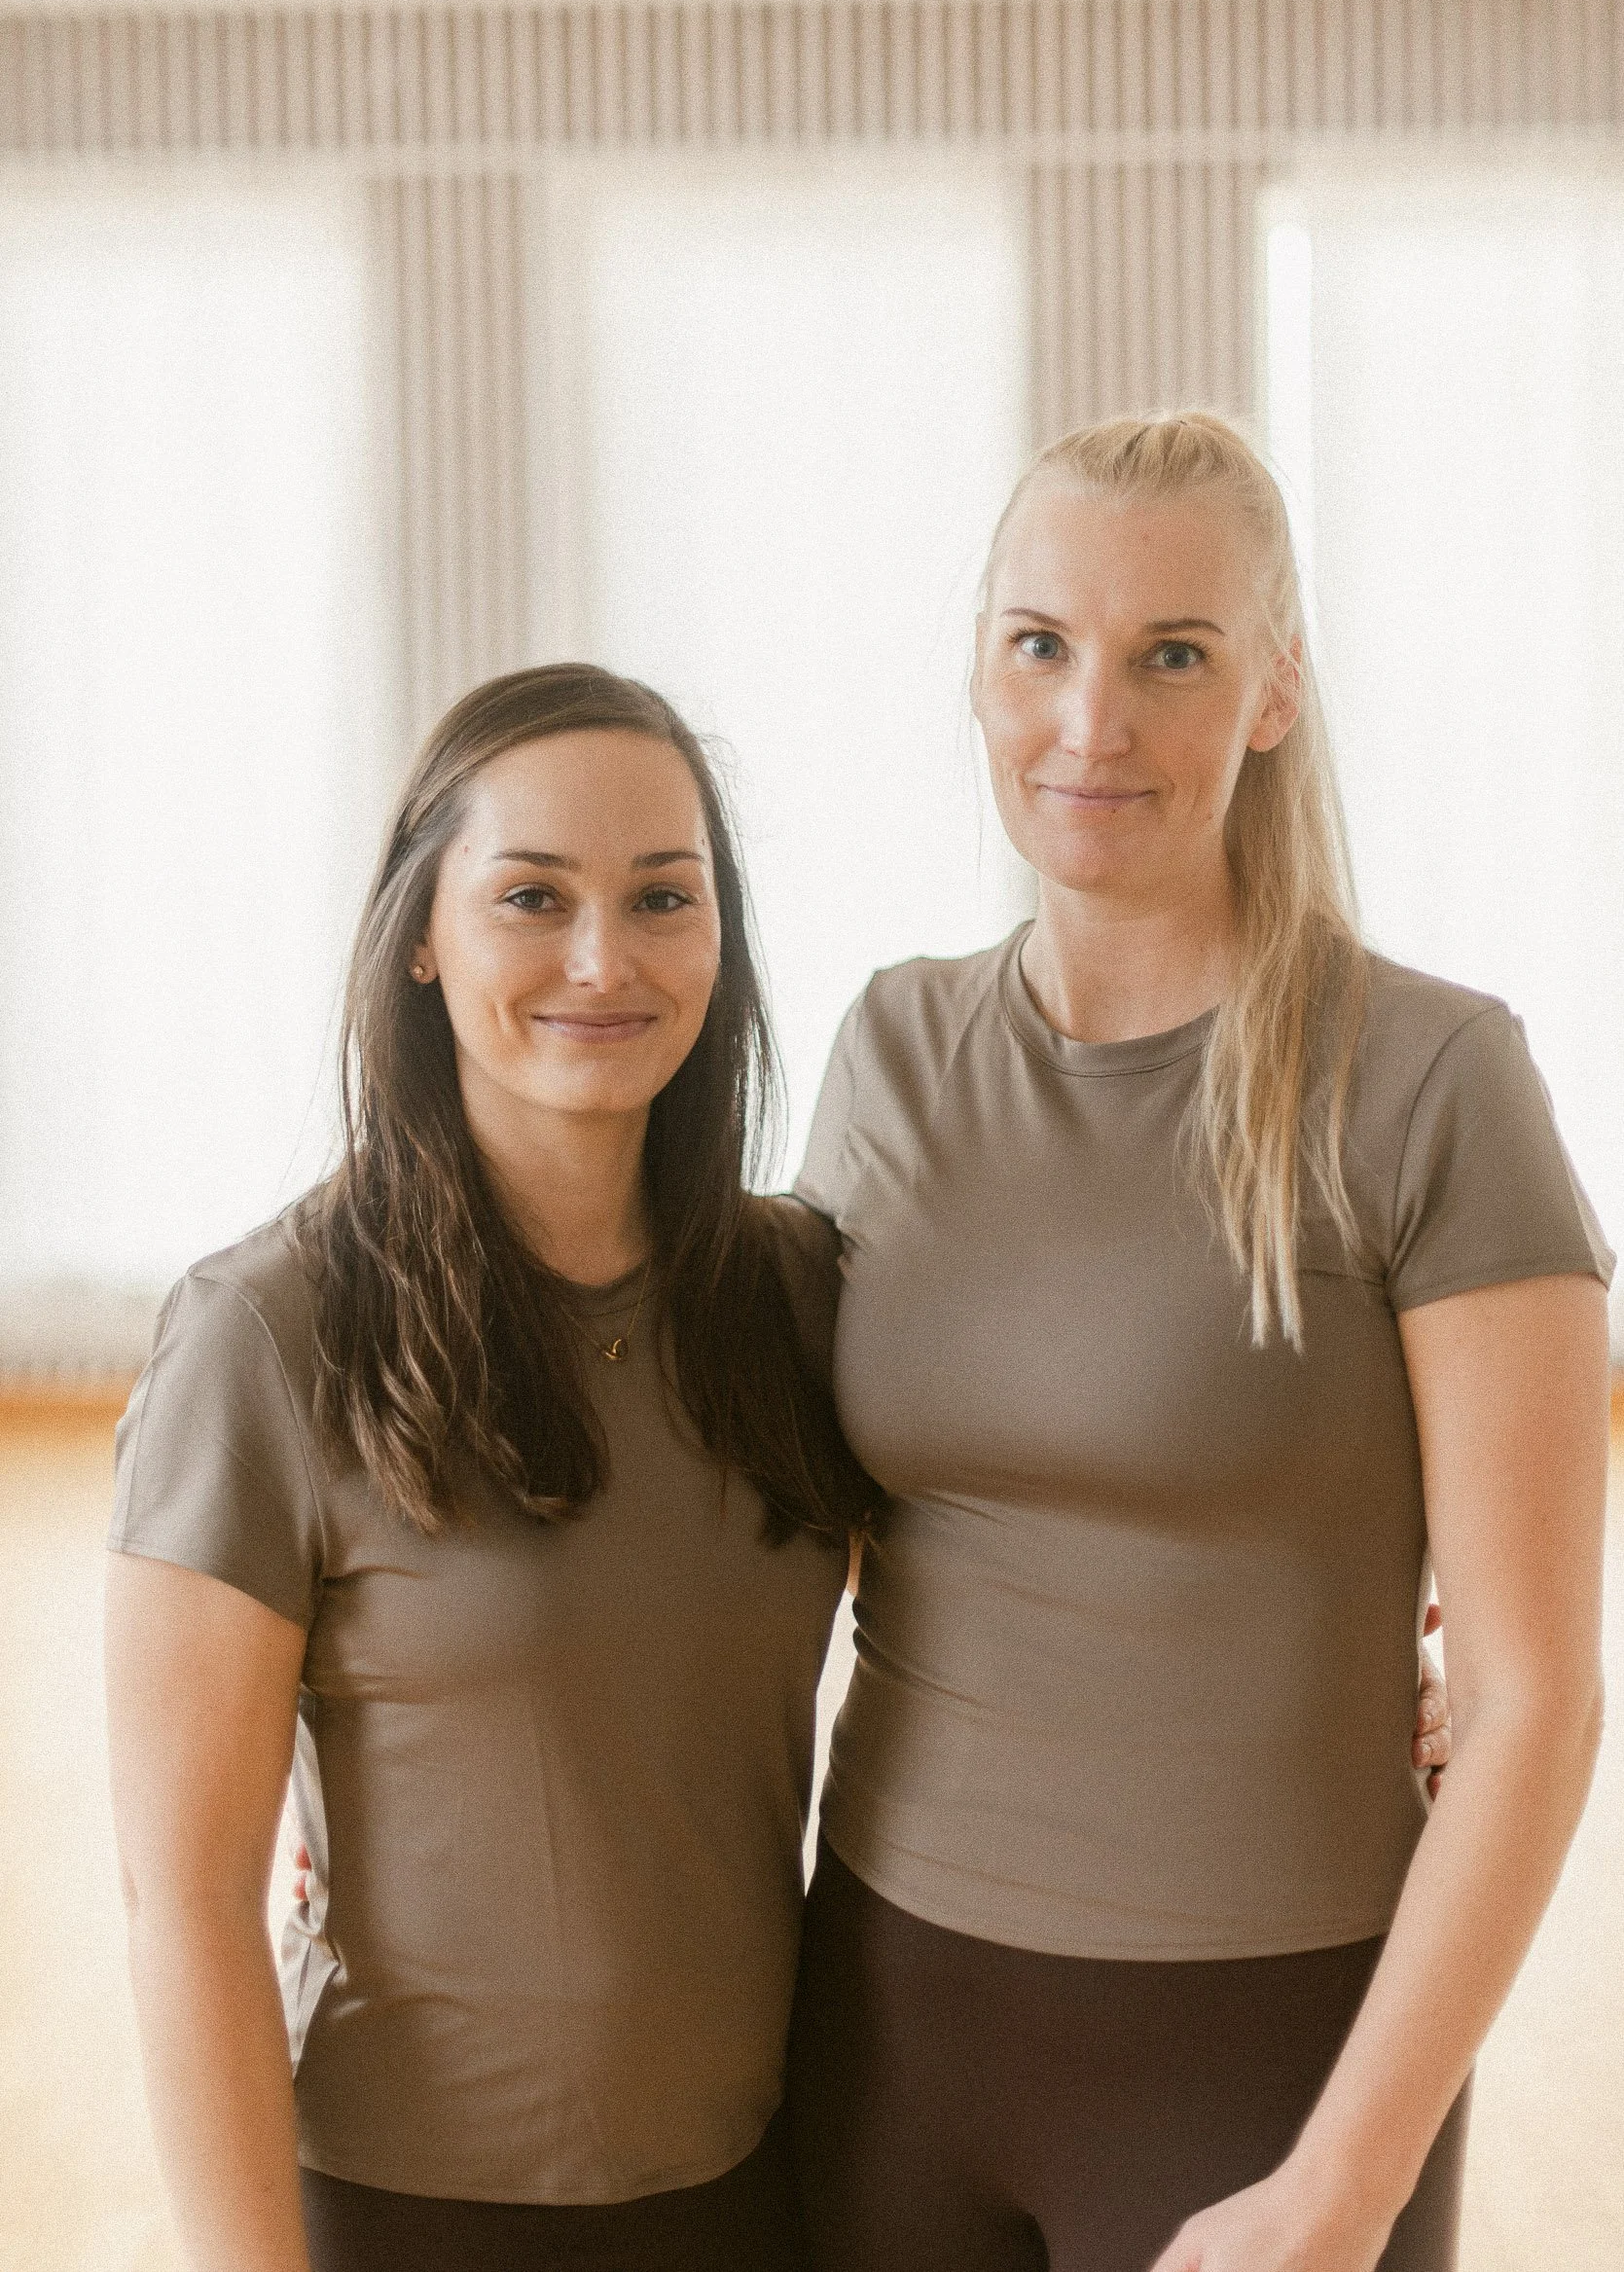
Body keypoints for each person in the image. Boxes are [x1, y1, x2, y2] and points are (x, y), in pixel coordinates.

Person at [787, 413, 1612, 2272]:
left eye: (1176, 654)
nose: (1095, 724)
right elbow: (751, 1530)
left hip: (1267, 2052)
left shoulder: (1431, 1080)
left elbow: (1537, 1702)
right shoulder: (893, 1050)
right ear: (980, 670)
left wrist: (1346, 2185)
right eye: (1042, 646)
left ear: (1274, 692)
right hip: (887, 2011)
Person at [104, 664, 876, 2272]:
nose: (606, 960)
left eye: (665, 898)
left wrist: (1396, 1680)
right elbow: (186, 1912)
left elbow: (1023, 1590)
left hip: (759, 2183)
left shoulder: (800, 1298)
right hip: (410, 2211)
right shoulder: (264, 1334)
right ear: (422, 940)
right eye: (534, 896)